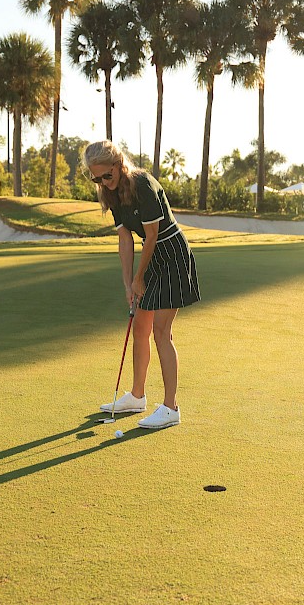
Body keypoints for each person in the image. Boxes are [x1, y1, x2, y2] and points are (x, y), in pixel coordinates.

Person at [83, 140, 200, 429]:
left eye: (106, 176)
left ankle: (171, 408)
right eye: (95, 178)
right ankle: (137, 396)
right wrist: (127, 283)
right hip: (152, 258)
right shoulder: (110, 194)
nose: (102, 182)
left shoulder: (142, 185)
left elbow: (150, 237)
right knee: (141, 328)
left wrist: (139, 278)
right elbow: (125, 239)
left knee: (161, 330)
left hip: (171, 254)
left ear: (117, 165)